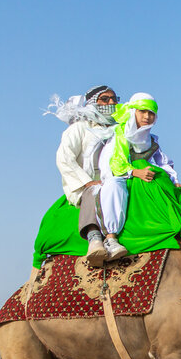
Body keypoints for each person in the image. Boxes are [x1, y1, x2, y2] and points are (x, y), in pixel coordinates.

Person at [98, 92, 181, 260]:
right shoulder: (120, 136)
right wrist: (134, 172)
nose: (147, 117)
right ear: (133, 111)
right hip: (125, 179)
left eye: (151, 113)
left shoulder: (151, 140)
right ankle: (111, 238)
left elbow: (163, 164)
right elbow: (109, 166)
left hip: (150, 180)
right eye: (143, 112)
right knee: (112, 186)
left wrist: (175, 183)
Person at [47, 85, 120, 266]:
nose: (111, 103)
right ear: (93, 102)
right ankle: (94, 238)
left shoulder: (119, 130)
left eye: (114, 99)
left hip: (114, 181)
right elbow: (64, 158)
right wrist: (86, 182)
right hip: (85, 183)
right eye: (105, 99)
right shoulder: (79, 128)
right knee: (94, 191)